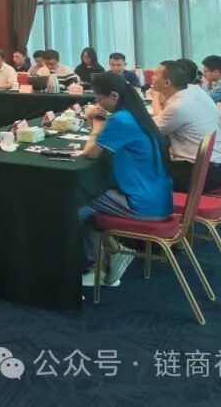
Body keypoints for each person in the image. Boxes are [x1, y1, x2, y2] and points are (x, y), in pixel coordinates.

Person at [78, 72, 172, 287]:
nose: (98, 104)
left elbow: (90, 153)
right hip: (157, 197)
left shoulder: (121, 119)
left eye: (99, 99)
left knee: (77, 202)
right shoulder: (136, 114)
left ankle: (97, 265)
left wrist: (97, 124)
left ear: (113, 96)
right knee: (89, 200)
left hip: (143, 205)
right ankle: (109, 255)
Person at [149, 60, 221, 192]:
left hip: (198, 174)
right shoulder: (195, 92)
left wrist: (156, 97)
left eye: (156, 75)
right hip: (215, 169)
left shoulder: (179, 106)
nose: (152, 77)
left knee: (140, 172)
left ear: (167, 82)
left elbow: (151, 131)